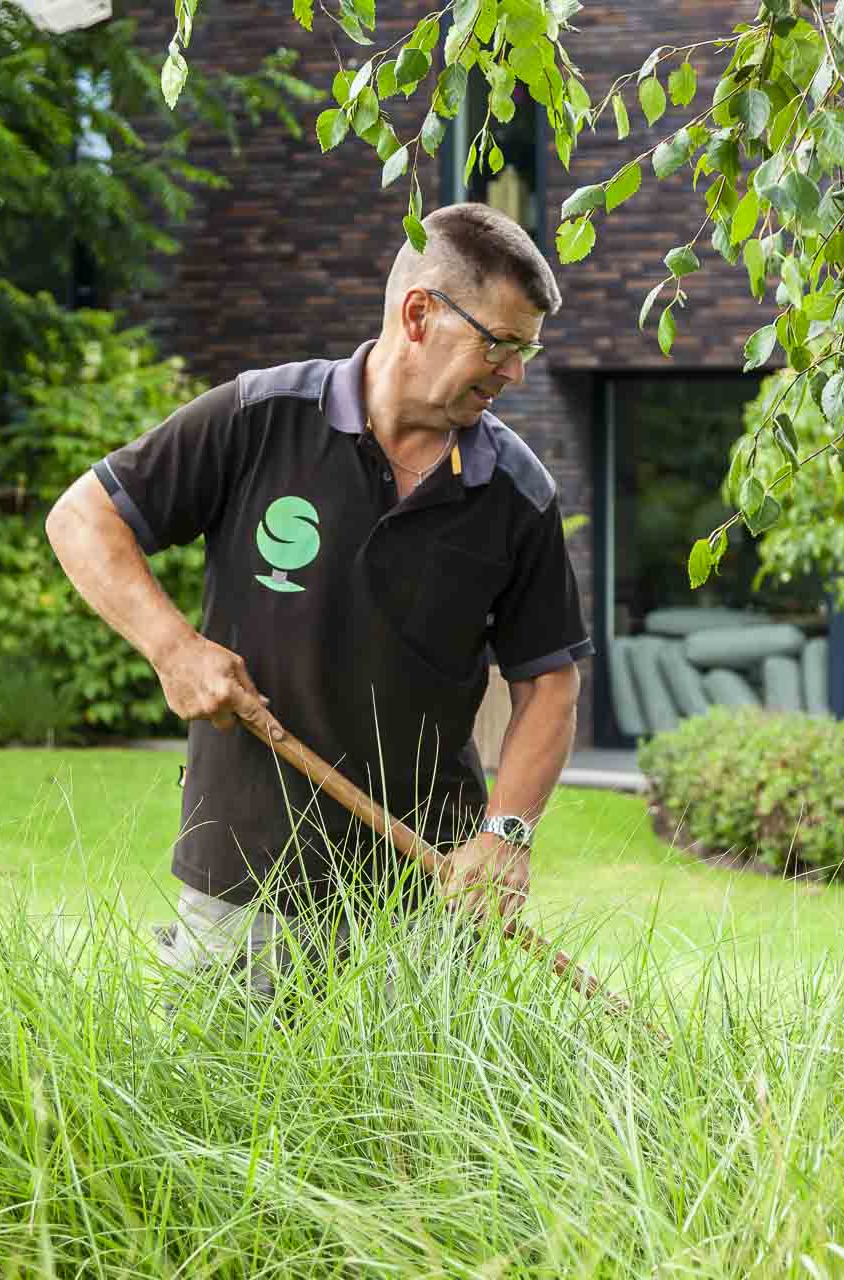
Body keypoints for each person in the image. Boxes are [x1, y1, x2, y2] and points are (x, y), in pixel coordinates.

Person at [44, 203, 592, 996]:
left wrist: (505, 836)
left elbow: (550, 683)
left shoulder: (516, 493)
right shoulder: (257, 418)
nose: (514, 373)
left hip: (423, 898)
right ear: (418, 314)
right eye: (499, 343)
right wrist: (173, 647)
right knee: (221, 1109)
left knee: (416, 1123)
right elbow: (83, 517)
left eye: (527, 351)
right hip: (244, 878)